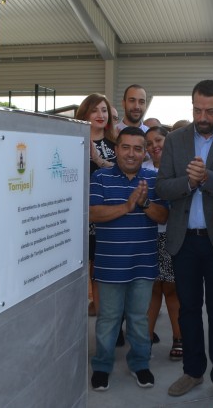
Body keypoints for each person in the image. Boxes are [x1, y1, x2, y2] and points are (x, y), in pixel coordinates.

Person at [156, 79, 213, 401]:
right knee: (188, 309)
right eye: (196, 109)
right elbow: (162, 187)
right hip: (183, 241)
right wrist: (188, 183)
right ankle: (192, 372)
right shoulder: (176, 140)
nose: (202, 116)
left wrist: (207, 179)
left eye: (209, 110)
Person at [89, 126, 169, 391]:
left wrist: (145, 204)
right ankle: (102, 365)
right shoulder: (100, 177)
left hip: (143, 264)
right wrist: (126, 206)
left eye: (138, 148)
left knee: (138, 318)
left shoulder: (153, 180)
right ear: (116, 149)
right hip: (110, 265)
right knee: (108, 319)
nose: (131, 153)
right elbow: (93, 213)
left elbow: (164, 216)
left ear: (145, 152)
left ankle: (140, 363)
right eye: (126, 147)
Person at [75, 94, 117, 317]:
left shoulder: (116, 143)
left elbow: (123, 173)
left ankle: (110, 319)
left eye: (104, 110)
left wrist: (99, 161)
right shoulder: (74, 141)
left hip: (111, 214)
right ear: (85, 114)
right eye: (95, 110)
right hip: (81, 214)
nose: (101, 115)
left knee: (104, 269)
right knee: (86, 267)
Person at [143, 126, 183, 361]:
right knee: (152, 288)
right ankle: (145, 337)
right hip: (148, 234)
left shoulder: (179, 166)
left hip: (172, 233)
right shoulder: (143, 168)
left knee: (171, 289)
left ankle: (179, 338)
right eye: (148, 143)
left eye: (158, 140)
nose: (154, 146)